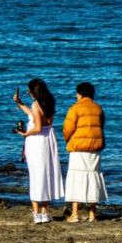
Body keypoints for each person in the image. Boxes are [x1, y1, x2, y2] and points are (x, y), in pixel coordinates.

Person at [14, 78, 64, 223]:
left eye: (28, 91)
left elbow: (36, 127)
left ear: (33, 91)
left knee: (36, 176)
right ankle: (45, 212)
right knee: (46, 174)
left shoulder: (36, 104)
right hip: (48, 139)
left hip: (36, 142)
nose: (28, 93)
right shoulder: (49, 101)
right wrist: (20, 103)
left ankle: (36, 213)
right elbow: (34, 115)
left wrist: (24, 134)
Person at [62, 81, 107, 222]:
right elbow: (101, 125)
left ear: (80, 94)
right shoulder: (98, 108)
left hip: (79, 147)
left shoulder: (74, 108)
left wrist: (68, 139)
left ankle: (75, 213)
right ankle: (92, 213)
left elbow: (67, 129)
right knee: (93, 177)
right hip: (94, 147)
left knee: (76, 178)